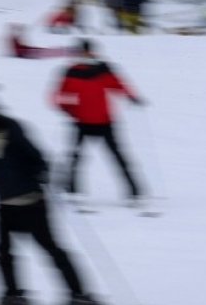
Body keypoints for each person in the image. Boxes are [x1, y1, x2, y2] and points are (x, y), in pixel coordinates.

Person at [0, 85, 101, 305]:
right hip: (4, 203)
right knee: (2, 251)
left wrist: (42, 171)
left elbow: (35, 155)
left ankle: (79, 296)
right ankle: (14, 296)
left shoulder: (9, 126)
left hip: (31, 201)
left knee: (50, 248)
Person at [51, 39, 145, 201]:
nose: (84, 54)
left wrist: (132, 97)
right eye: (80, 51)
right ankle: (72, 191)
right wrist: (69, 110)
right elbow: (59, 95)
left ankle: (134, 192)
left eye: (86, 51)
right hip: (81, 122)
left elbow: (118, 85)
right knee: (74, 157)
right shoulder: (71, 71)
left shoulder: (104, 68)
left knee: (118, 157)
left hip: (105, 122)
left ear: (91, 51)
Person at [6, 23, 74, 59]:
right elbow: (17, 49)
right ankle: (65, 51)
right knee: (46, 51)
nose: (20, 31)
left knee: (44, 50)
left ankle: (65, 50)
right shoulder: (13, 38)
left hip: (25, 51)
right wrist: (27, 51)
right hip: (24, 53)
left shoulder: (15, 38)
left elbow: (21, 46)